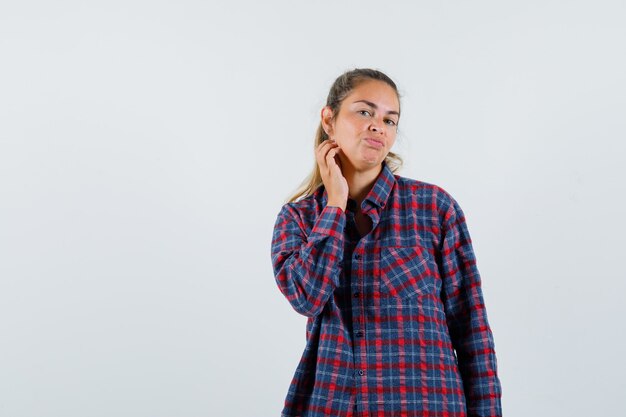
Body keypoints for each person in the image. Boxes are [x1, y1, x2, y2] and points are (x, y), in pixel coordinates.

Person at [270, 68, 502, 417]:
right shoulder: (298, 218)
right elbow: (307, 297)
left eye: (389, 119)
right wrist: (334, 205)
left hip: (427, 406)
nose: (378, 125)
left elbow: (472, 329)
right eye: (364, 112)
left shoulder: (435, 209)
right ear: (329, 120)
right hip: (335, 404)